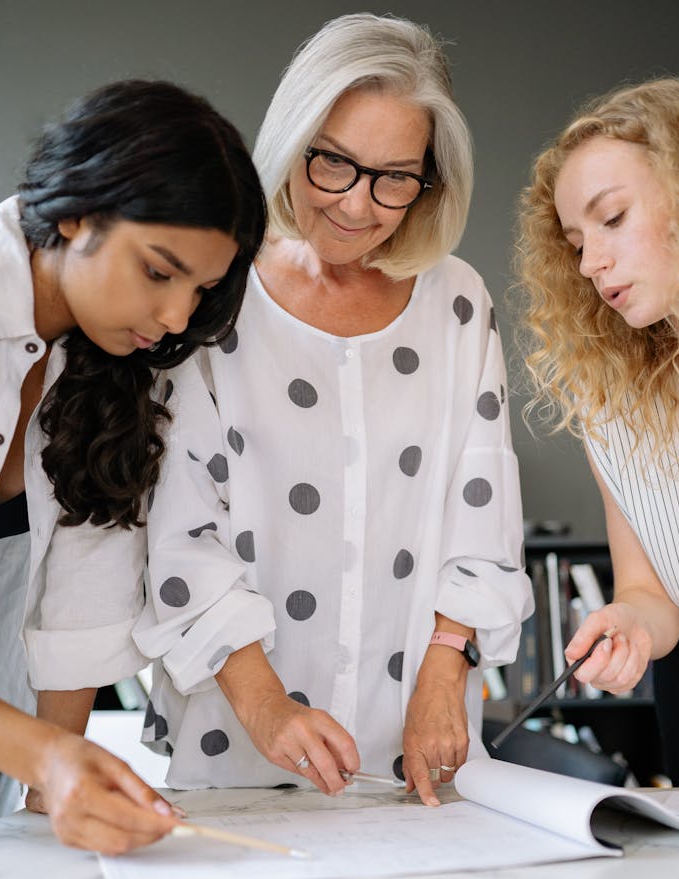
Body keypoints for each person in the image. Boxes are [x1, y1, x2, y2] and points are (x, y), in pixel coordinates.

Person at [134, 13, 533, 807]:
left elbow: (480, 514)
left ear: (428, 180)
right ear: (294, 140)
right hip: (241, 740)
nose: (359, 205)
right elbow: (180, 529)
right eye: (335, 165)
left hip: (422, 740)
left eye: (395, 177)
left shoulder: (457, 302)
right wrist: (267, 706)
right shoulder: (216, 290)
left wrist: (442, 672)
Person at [0, 77, 267, 850]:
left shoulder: (114, 367)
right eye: (159, 271)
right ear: (76, 213)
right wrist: (50, 758)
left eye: (200, 290)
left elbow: (80, 605)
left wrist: (51, 789)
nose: (176, 318)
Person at [515, 76, 679, 786]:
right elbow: (650, 590)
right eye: (576, 242)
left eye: (611, 219)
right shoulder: (615, 400)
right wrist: (632, 626)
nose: (589, 264)